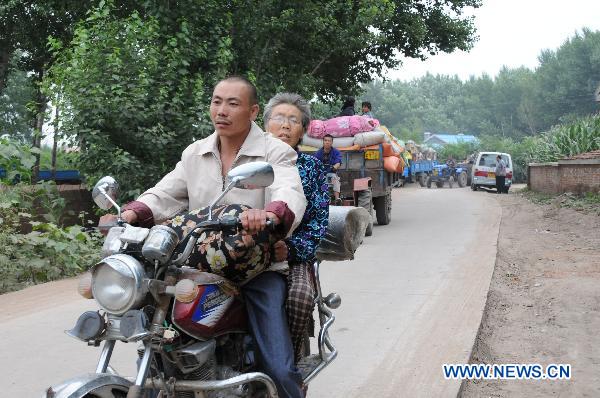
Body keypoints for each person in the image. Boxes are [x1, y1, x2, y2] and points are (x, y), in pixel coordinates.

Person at [99, 76, 306, 398]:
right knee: (151, 324)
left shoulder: (274, 152)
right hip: (197, 266)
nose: (221, 110)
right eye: (216, 101)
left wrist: (270, 215)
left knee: (278, 369)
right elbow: (164, 194)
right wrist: (127, 214)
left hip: (254, 270)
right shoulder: (195, 153)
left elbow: (288, 190)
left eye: (232, 103)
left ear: (252, 112)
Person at [263, 92, 329, 363]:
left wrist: (288, 249)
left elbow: (318, 222)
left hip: (291, 255)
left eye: (294, 120)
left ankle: (288, 361)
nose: (285, 125)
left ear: (303, 129)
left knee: (300, 298)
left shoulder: (311, 167)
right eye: (279, 118)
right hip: (239, 248)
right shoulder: (248, 161)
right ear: (265, 124)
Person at [314, 134, 343, 205]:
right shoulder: (318, 153)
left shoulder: (336, 152)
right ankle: (323, 198)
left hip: (331, 172)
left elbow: (338, 162)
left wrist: (334, 167)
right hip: (321, 173)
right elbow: (315, 163)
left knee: (334, 178)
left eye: (329, 141)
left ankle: (337, 199)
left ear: (332, 142)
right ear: (323, 142)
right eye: (325, 140)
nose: (327, 142)